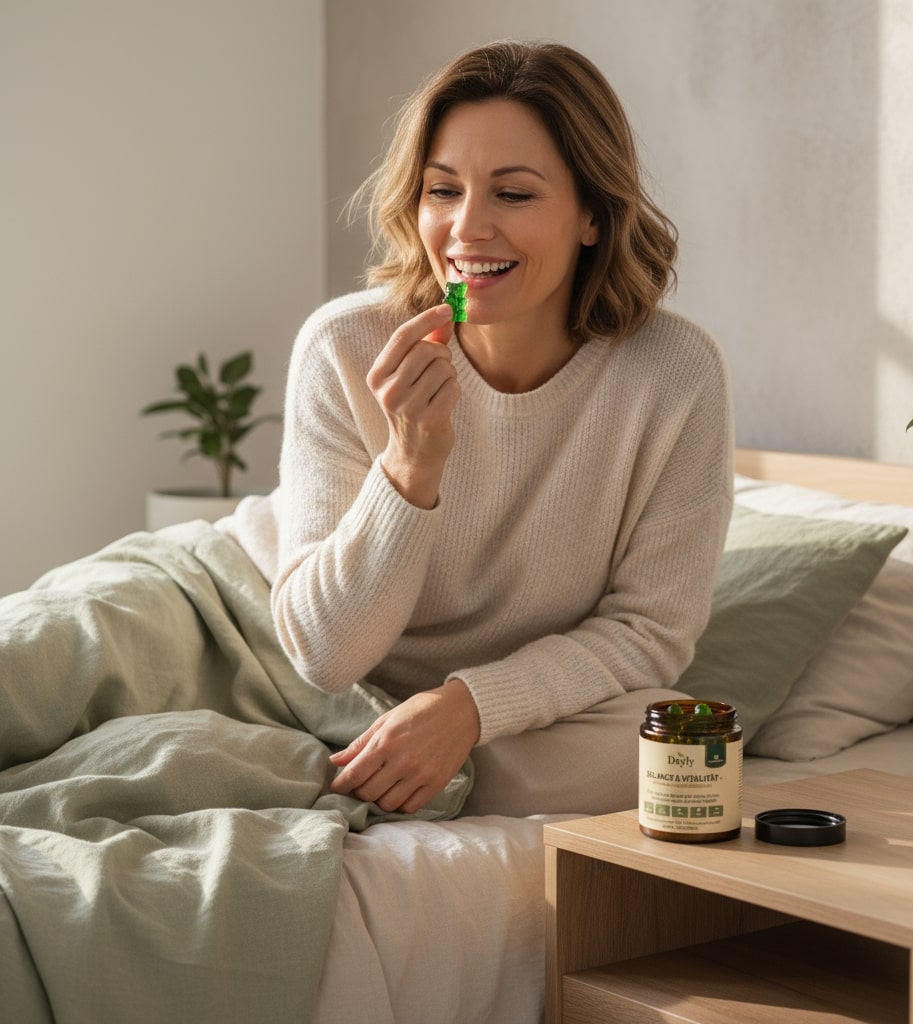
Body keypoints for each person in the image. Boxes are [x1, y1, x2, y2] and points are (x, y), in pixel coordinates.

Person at [224, 39, 734, 818]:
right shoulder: (345, 345)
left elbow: (649, 632)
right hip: (231, 619)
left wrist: (469, 708)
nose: (466, 229)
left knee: (659, 748)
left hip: (451, 713)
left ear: (593, 215)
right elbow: (325, 654)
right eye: (442, 190)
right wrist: (410, 466)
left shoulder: (672, 374)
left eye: (514, 195)